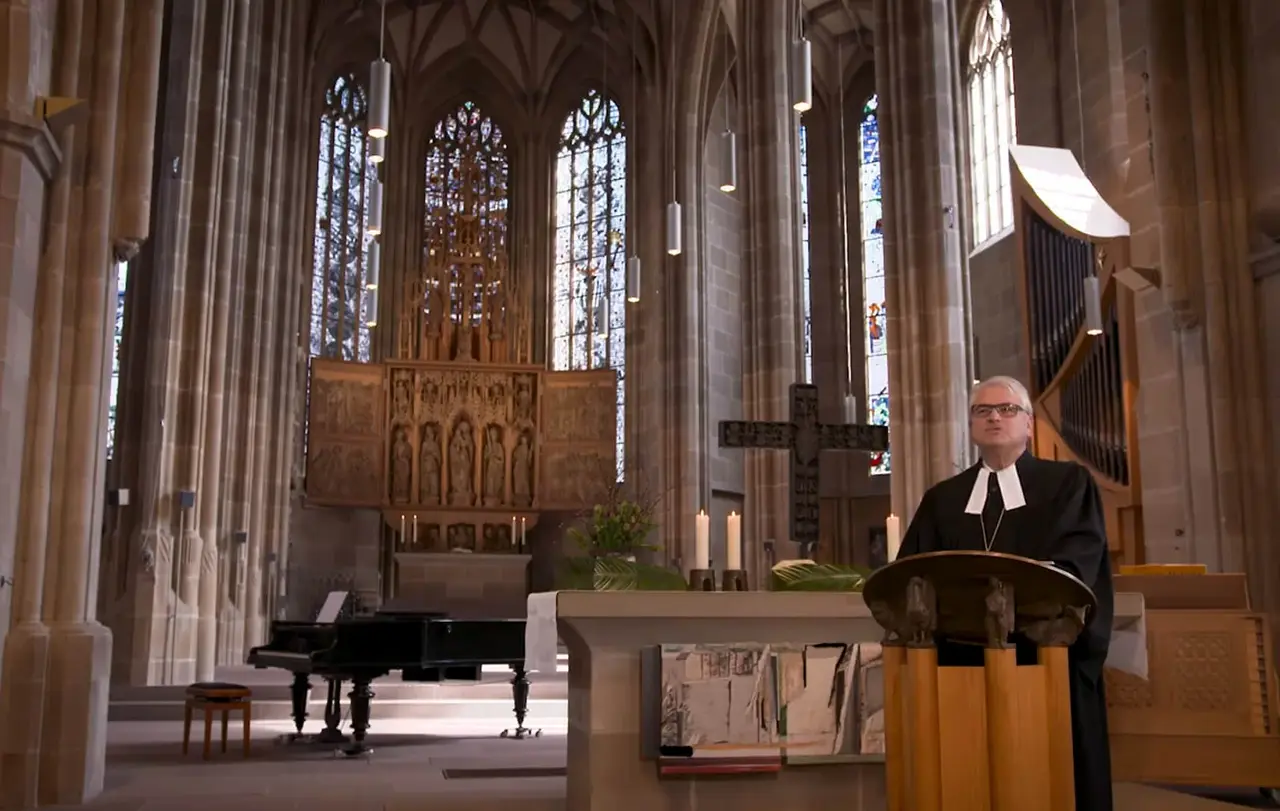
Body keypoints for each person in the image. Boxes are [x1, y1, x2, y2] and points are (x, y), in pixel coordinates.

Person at [898, 375, 1114, 811]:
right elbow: (911, 576)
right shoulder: (942, 498)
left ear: (1030, 425)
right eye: (983, 410)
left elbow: (1076, 569)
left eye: (1007, 409)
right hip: (959, 664)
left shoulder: (1068, 484)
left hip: (1045, 661)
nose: (994, 417)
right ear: (972, 426)